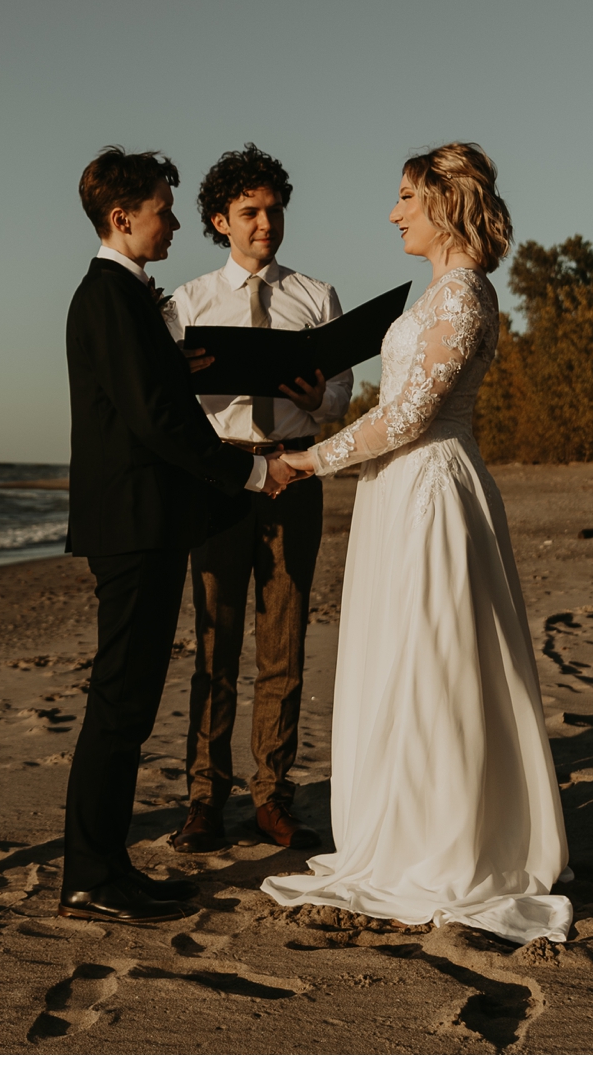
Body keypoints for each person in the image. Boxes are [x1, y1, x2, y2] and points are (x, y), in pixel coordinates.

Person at [263, 143, 572, 945]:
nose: (394, 212)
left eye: (405, 196)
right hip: (398, 489)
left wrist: (307, 458)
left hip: (432, 488)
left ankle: (446, 838)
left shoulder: (464, 296)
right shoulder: (439, 295)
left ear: (446, 201)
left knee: (437, 656)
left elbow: (406, 419)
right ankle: (402, 822)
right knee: (403, 654)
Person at [60, 146, 300, 926]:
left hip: (147, 521)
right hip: (133, 524)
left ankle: (108, 866)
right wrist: (251, 476)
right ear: (122, 218)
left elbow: (150, 393)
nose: (171, 222)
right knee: (119, 703)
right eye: (163, 209)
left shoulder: (126, 299)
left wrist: (173, 363)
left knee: (129, 704)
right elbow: (157, 421)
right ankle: (91, 874)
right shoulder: (106, 296)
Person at [165, 144, 352, 855]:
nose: (265, 222)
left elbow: (340, 390)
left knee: (285, 643)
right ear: (220, 219)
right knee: (214, 646)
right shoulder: (187, 302)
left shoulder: (316, 294)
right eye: (250, 212)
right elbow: (171, 404)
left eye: (274, 210)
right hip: (218, 481)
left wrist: (321, 396)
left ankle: (272, 796)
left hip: (295, 477)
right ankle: (203, 801)